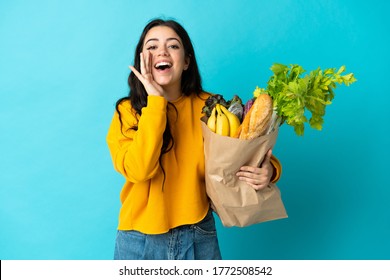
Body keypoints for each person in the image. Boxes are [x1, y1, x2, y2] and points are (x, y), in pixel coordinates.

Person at [106, 18, 282, 260]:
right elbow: (139, 170)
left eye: (173, 46)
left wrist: (269, 171)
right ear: (141, 60)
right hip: (139, 240)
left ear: (186, 61)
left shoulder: (213, 108)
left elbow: (242, 152)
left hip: (199, 234)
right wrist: (156, 103)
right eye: (152, 46)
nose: (162, 52)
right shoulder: (127, 112)